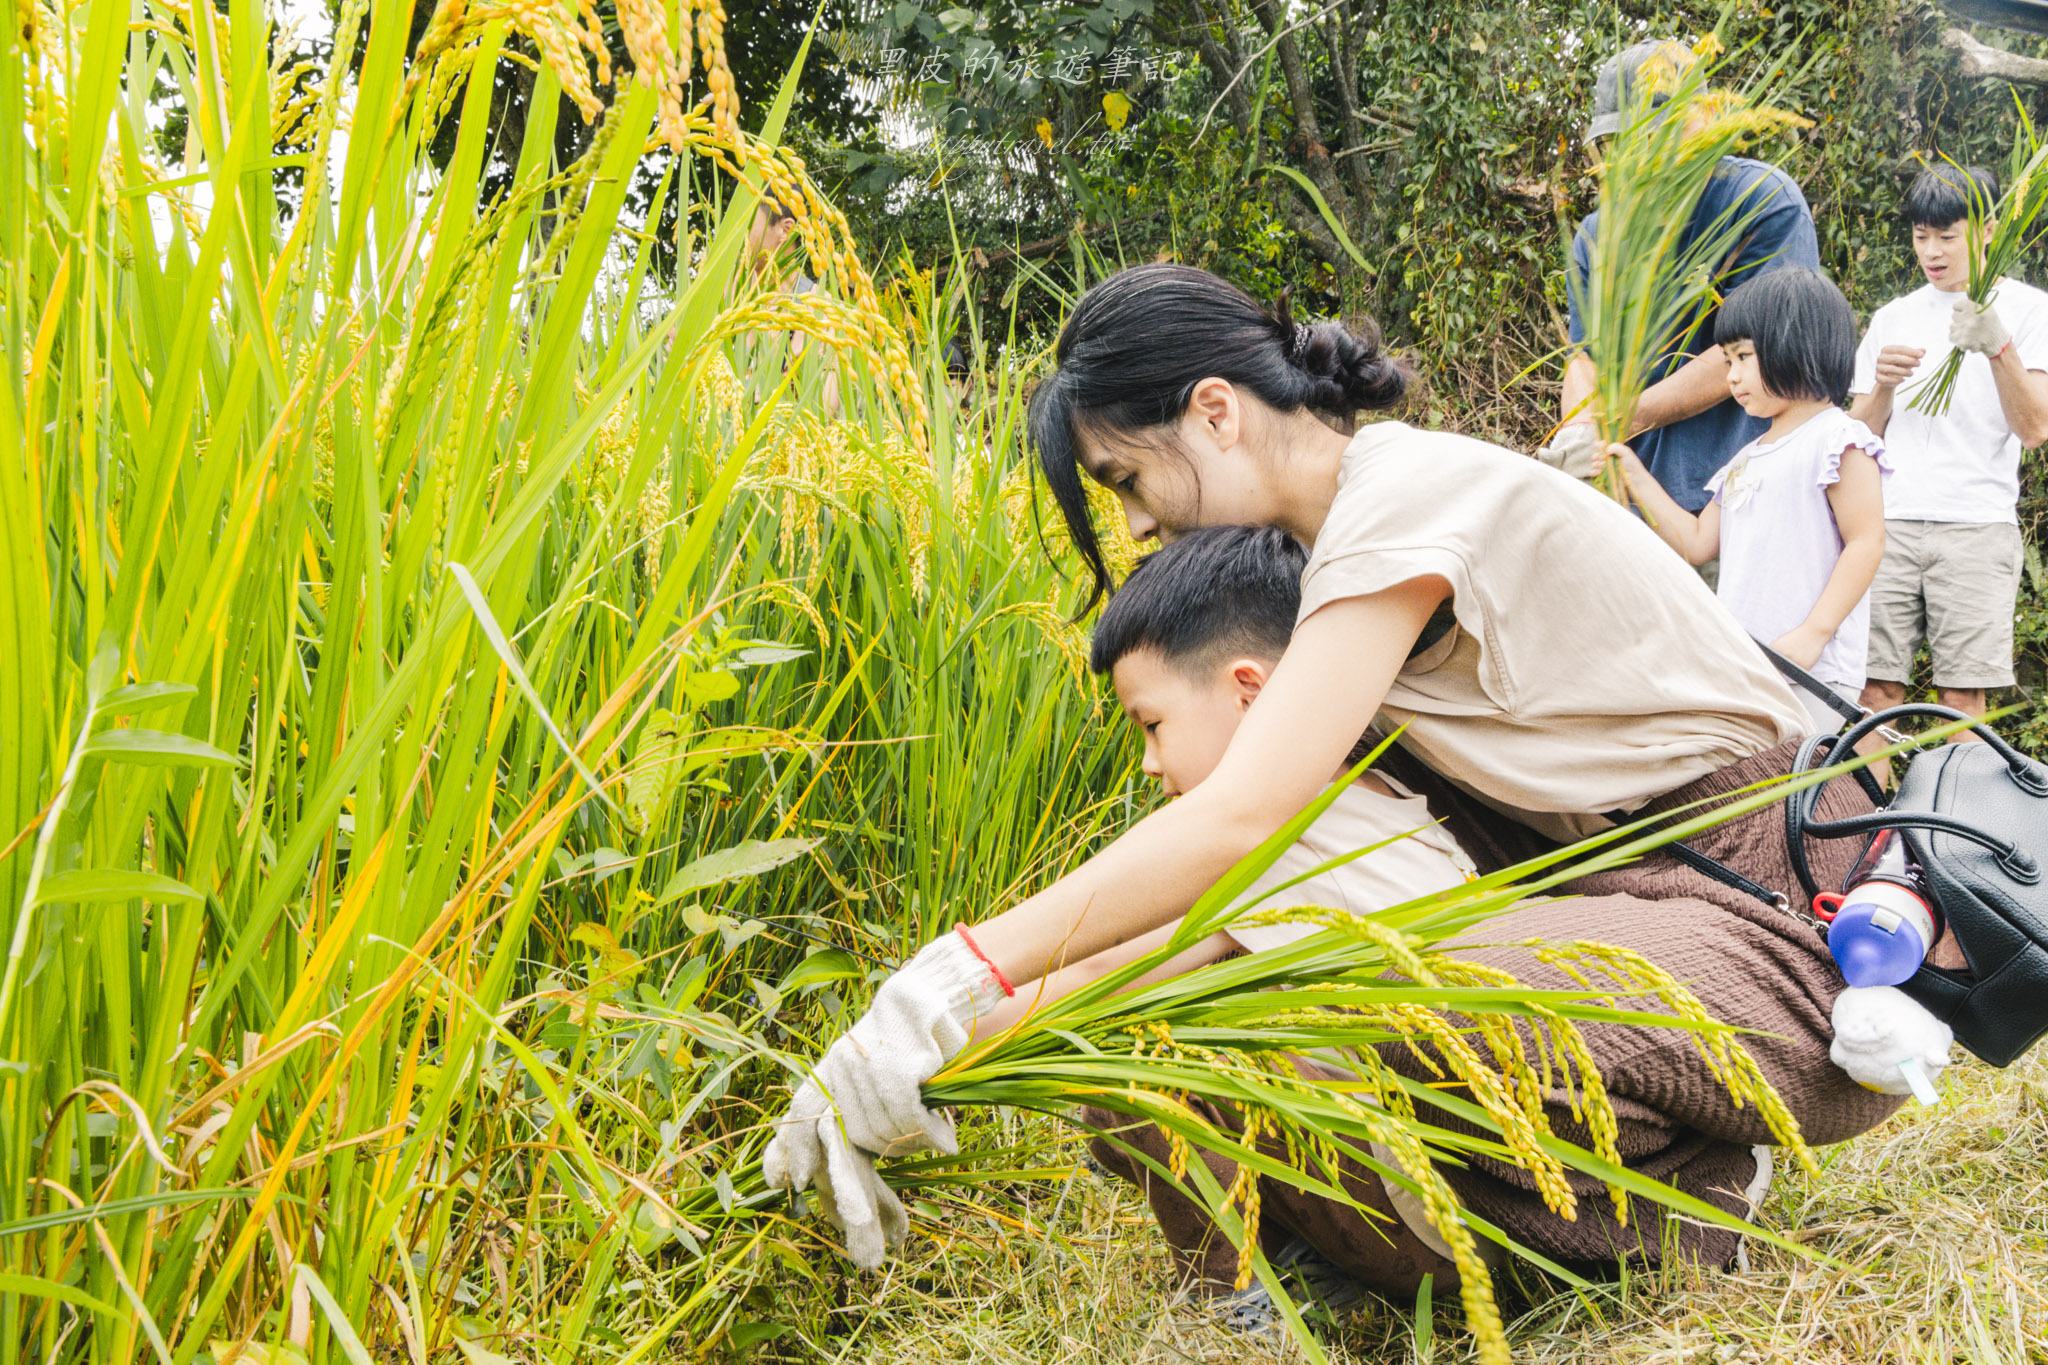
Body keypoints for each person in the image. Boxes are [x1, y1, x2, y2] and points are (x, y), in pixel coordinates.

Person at [764, 263, 1904, 1295]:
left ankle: (1690, 1202)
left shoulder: (1396, 502)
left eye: (1123, 476)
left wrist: (945, 980)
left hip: (1776, 904)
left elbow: (1237, 817)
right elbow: (1223, 899)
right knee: (1287, 989)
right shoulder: (1329, 572)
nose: (1131, 522)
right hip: (1625, 897)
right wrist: (953, 1047)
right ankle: (1610, 1174)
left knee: (1400, 1002)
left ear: (1213, 411)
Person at [969, 524, 1481, 1329]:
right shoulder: (1378, 796)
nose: (1147, 760)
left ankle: (1234, 1296)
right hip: (1478, 1192)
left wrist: (925, 1036)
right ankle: (1316, 1253)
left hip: (1429, 1227)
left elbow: (1093, 983)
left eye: (1152, 723)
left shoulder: (1279, 842)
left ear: (1248, 688)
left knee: (1130, 1046)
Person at [1548, 38, 1821, 528]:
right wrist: (1580, 430)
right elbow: (1585, 356)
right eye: (1621, 142)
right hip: (1628, 498)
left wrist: (1618, 420)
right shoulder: (1598, 235)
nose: (1636, 155)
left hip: (1743, 497)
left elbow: (1748, 352)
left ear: (1702, 122)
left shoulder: (1760, 203)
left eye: (1656, 134)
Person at [1608, 268, 1890, 732]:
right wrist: (1633, 474)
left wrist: (1812, 635)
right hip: (1750, 664)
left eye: (1742, 358)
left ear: (1794, 346)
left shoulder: (1839, 439)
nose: (1732, 377)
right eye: (1727, 361)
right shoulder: (1746, 458)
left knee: (1779, 783)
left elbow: (1866, 541)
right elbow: (1698, 542)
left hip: (1810, 669)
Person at [1847, 165, 2048, 725]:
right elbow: (1856, 438)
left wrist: (1997, 344)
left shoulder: (2032, 310)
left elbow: (2035, 429)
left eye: (1946, 236)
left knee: (1961, 702)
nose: (1931, 252)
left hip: (1977, 527)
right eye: (1920, 237)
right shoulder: (1894, 317)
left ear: (1985, 230)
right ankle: (1877, 816)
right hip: (1888, 524)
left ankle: (1948, 815)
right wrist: (1882, 386)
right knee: (1872, 691)